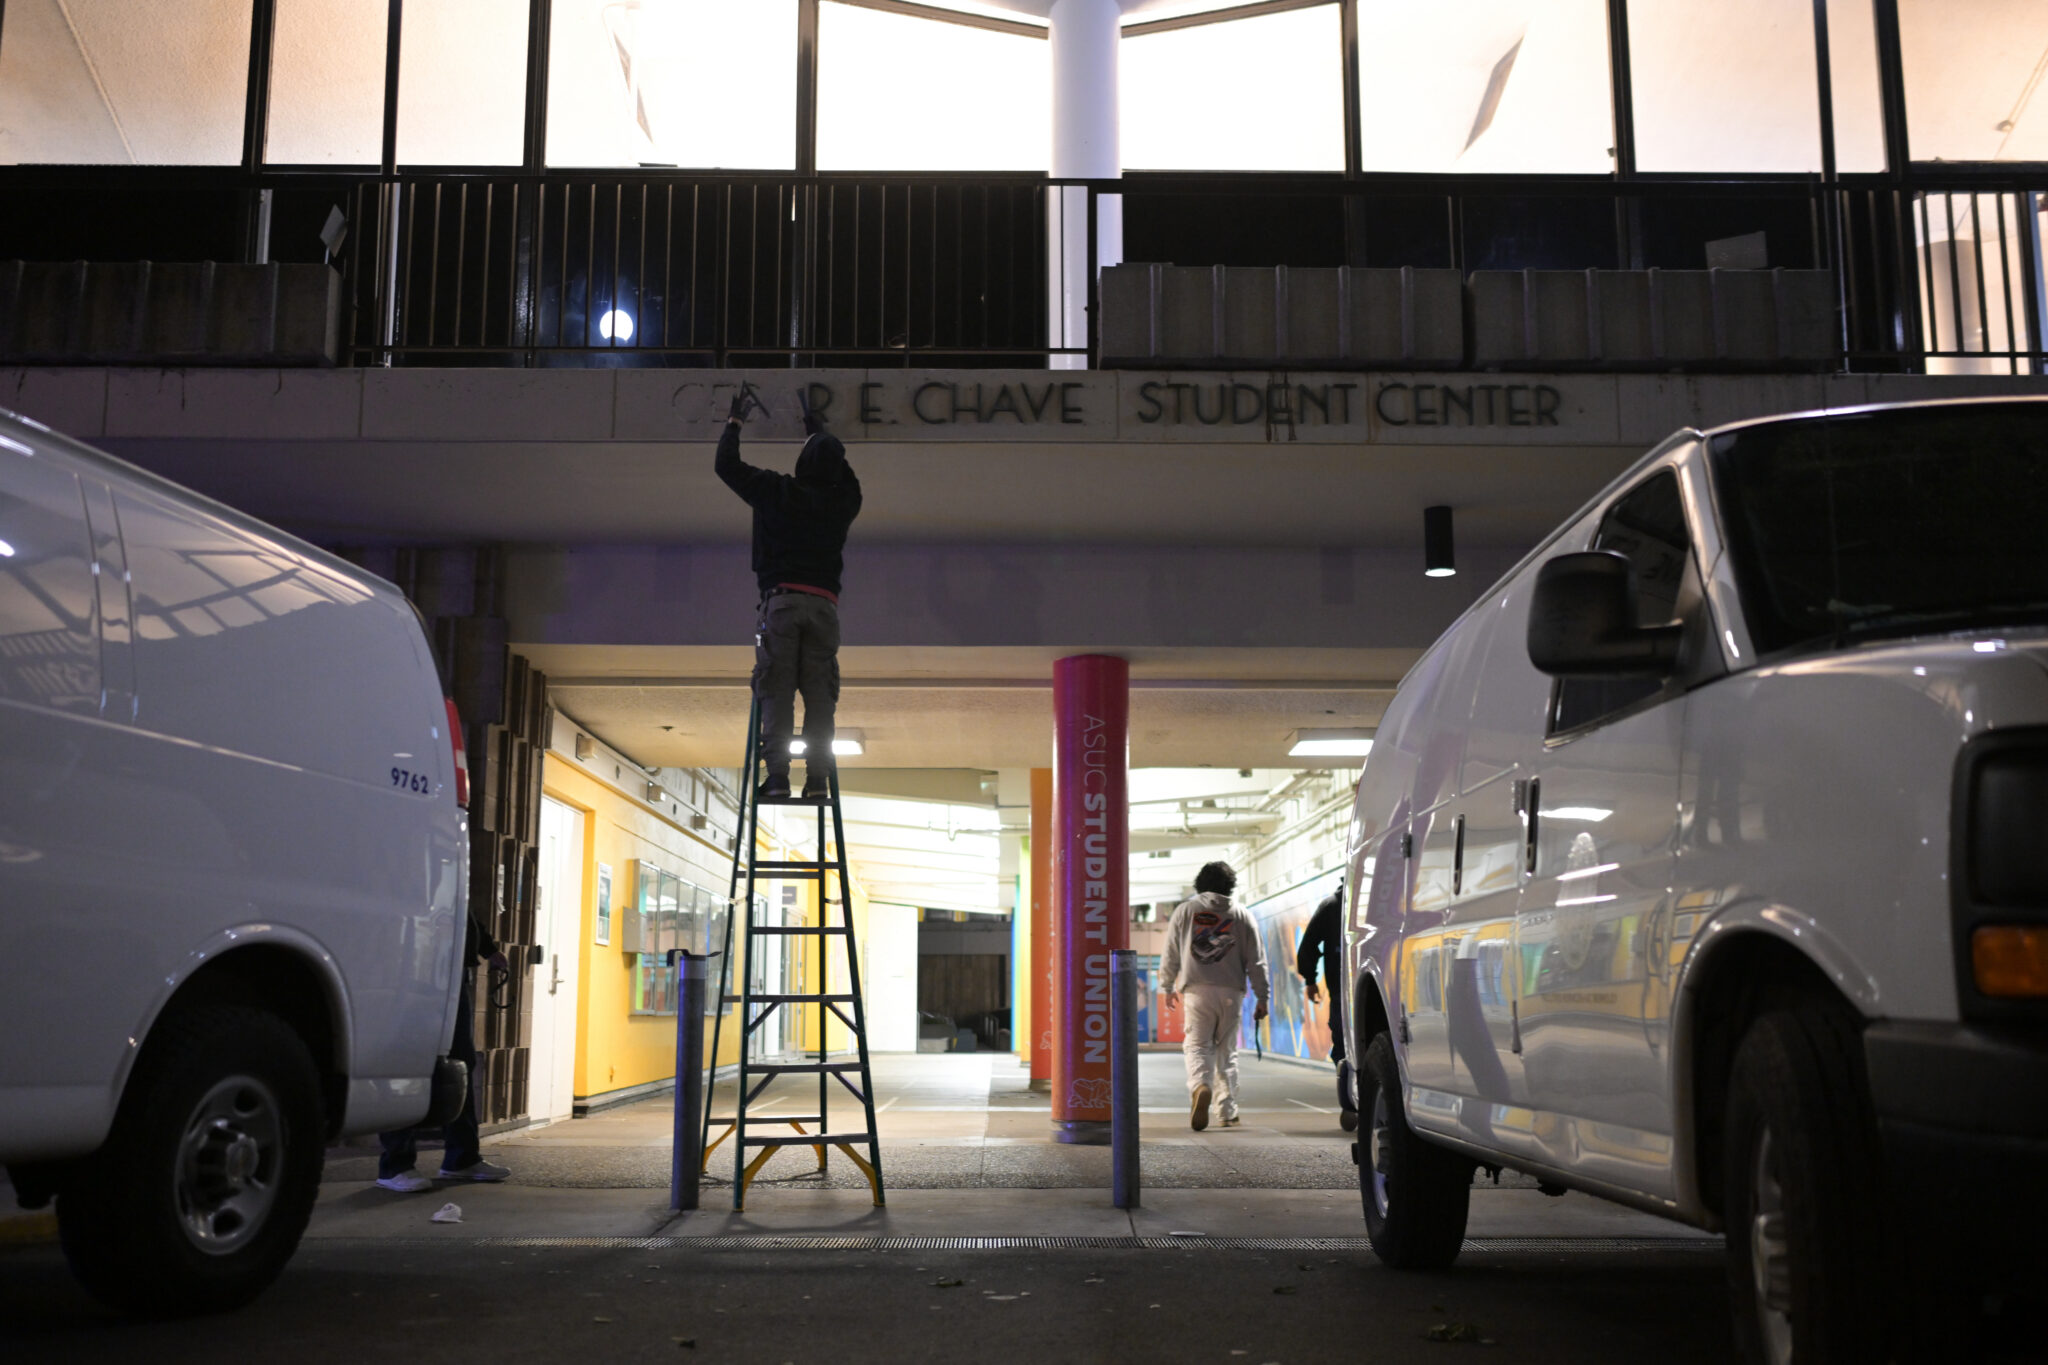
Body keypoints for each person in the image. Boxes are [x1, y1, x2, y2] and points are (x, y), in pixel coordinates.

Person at [716, 386, 863, 801]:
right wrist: (818, 433)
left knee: (776, 689)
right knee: (820, 697)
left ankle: (777, 778)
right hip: (824, 608)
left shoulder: (776, 490)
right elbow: (843, 471)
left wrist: (734, 423)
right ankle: (818, 781)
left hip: (780, 602)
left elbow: (726, 466)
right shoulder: (844, 503)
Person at [377, 904, 511, 1191]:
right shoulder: (407, 867)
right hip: (410, 968)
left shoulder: (448, 870)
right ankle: (394, 1165)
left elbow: (464, 908)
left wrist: (488, 948)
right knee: (406, 1061)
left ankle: (461, 1159)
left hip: (452, 971)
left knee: (460, 1065)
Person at [1162, 861, 1269, 1132]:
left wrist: (1165, 986)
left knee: (1197, 1046)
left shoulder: (1185, 911)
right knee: (1226, 1051)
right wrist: (1262, 996)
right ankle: (1227, 1111)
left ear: (1200, 883)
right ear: (1229, 885)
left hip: (1197, 991)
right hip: (1231, 991)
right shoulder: (1241, 914)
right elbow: (1256, 960)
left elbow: (1171, 951)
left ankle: (1201, 1085)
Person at [1296, 876, 1358, 1130]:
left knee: (1343, 1046)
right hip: (1383, 991)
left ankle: (1350, 1101)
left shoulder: (1332, 905)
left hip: (1341, 992)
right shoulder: (1382, 900)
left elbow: (1308, 944)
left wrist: (1310, 980)